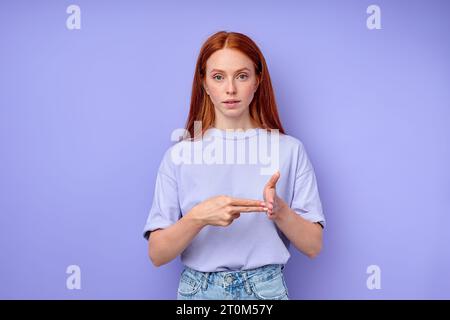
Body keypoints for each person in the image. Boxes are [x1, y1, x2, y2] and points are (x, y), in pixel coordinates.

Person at [143, 31, 326, 300]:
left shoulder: (290, 150)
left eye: (242, 76)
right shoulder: (179, 155)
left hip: (266, 291)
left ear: (257, 80)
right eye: (218, 77)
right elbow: (157, 254)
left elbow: (313, 246)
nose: (230, 89)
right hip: (199, 293)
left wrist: (280, 210)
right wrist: (199, 217)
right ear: (204, 83)